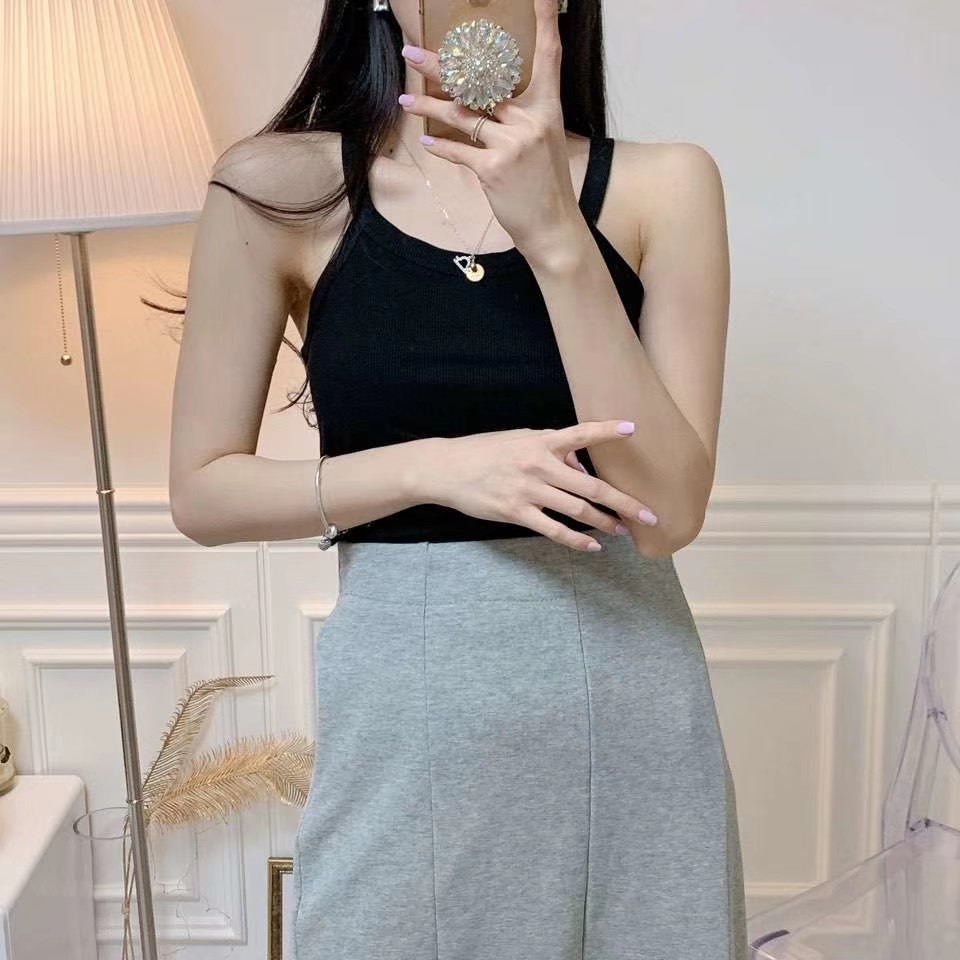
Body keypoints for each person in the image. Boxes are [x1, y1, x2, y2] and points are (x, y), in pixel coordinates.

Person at [167, 0, 746, 957]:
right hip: (405, 714)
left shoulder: (666, 185)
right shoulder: (277, 188)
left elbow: (669, 513)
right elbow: (203, 490)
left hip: (625, 710)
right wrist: (440, 467)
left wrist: (555, 233)